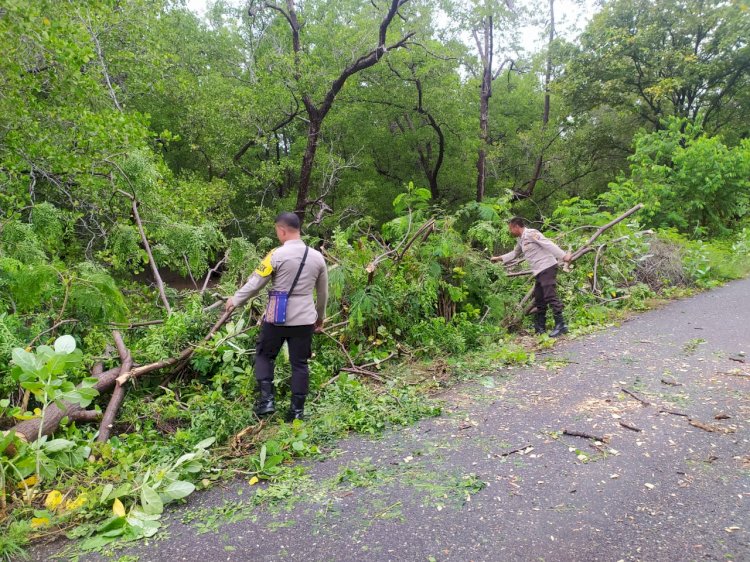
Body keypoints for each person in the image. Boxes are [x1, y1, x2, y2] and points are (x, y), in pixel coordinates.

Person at [224, 212, 328, 421]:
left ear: (281, 230)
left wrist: (235, 300)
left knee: (264, 355)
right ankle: (296, 413)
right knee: (300, 363)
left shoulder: (275, 255)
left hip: (276, 317)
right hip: (304, 319)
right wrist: (320, 317)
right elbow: (323, 293)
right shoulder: (317, 257)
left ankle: (267, 402)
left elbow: (255, 283)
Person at [491, 217, 572, 337]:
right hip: (539, 271)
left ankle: (561, 325)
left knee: (550, 295)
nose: (510, 231)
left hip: (547, 267)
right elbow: (515, 253)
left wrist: (563, 256)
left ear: (516, 227)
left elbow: (548, 244)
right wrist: (499, 258)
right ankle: (540, 328)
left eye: (510, 229)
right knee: (539, 298)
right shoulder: (520, 240)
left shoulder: (531, 233)